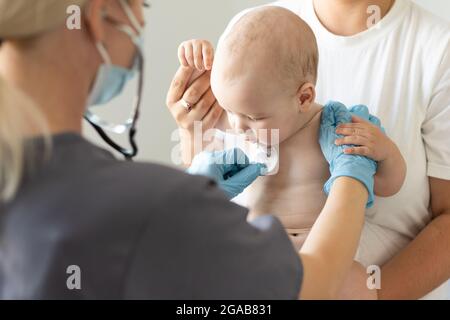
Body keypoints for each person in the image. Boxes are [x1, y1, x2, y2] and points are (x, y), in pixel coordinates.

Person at [0, 0, 373, 299]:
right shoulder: (154, 205)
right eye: (141, 7)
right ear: (99, 16)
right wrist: (352, 172)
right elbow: (314, 287)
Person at [167, 0, 450, 299]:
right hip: (253, 262)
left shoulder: (334, 126)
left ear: (304, 98)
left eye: (254, 117)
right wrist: (192, 122)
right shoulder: (251, 36)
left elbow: (389, 184)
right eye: (231, 111)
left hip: (333, 271)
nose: (238, 126)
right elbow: (201, 164)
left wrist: (385, 152)